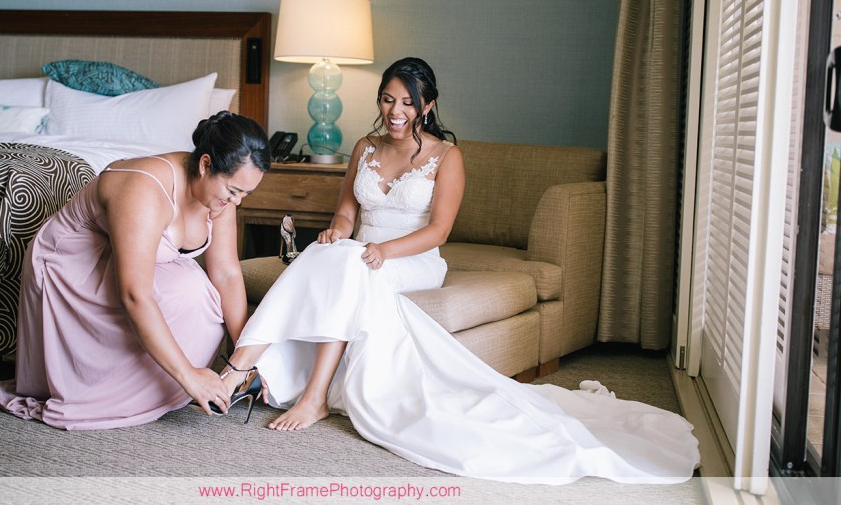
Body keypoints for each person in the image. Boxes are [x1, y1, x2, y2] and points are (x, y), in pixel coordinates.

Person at [215, 58, 700, 484]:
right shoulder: (365, 146)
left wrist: (383, 250)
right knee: (324, 255)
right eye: (388, 99)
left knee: (348, 266)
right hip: (360, 253)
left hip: (414, 259)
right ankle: (253, 369)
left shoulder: (447, 156)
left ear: (427, 105)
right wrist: (336, 233)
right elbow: (345, 212)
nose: (396, 111)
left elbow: (439, 231)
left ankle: (288, 386)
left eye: (408, 102)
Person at [0, 111, 270, 430]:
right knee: (184, 294)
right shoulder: (144, 187)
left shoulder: (220, 198)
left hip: (136, 265)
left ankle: (162, 383)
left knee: (201, 294)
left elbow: (227, 274)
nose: (237, 202)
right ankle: (114, 385)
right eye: (233, 191)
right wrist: (188, 375)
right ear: (205, 165)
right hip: (74, 268)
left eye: (246, 194)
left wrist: (243, 358)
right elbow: (134, 295)